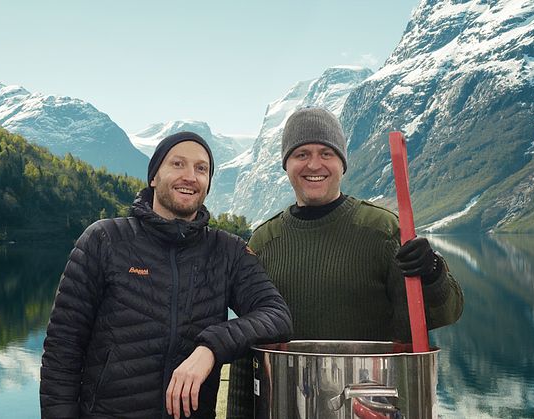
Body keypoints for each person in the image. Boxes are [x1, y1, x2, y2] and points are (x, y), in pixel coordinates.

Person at [227, 107, 464, 418]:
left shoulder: (382, 230)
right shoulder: (263, 242)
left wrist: (432, 271)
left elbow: (445, 312)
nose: (314, 164)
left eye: (326, 153)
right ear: (286, 165)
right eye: (301, 154)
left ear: (342, 163)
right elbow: (248, 350)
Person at [40, 131, 293, 419]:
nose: (190, 176)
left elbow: (277, 316)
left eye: (201, 169)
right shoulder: (104, 240)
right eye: (177, 164)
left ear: (208, 184)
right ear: (153, 177)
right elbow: (62, 351)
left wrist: (210, 349)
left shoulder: (227, 251)